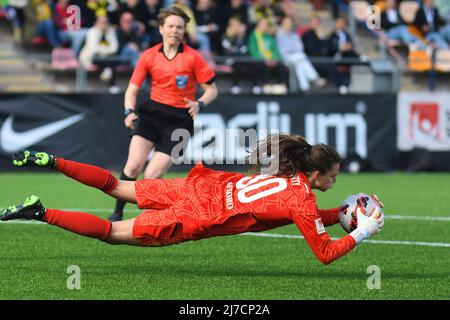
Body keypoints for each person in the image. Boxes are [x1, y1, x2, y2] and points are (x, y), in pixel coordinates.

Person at [2, 136, 384, 265]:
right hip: (200, 214)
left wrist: (344, 213)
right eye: (333, 175)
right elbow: (324, 253)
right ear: (316, 175)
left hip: (198, 189)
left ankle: (52, 161)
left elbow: (304, 212)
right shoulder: (302, 200)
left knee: (118, 186)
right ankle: (41, 212)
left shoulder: (290, 176)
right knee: (110, 232)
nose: (336, 180)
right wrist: (361, 230)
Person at [108, 6, 218, 222]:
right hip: (151, 114)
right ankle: (118, 212)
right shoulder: (148, 56)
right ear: (161, 28)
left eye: (179, 27)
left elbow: (212, 90)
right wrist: (129, 111)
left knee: (152, 175)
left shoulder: (193, 57)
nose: (174, 31)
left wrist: (199, 104)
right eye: (170, 26)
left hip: (180, 121)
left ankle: (164, 214)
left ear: (184, 30)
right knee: (133, 166)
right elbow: (132, 88)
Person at [276, 16, 325, 92]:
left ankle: (305, 87)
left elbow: (300, 48)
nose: (288, 25)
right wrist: (292, 48)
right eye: (286, 23)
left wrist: (291, 48)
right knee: (301, 57)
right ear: (282, 24)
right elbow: (283, 51)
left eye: (290, 24)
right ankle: (314, 78)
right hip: (284, 58)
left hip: (296, 57)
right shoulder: (279, 34)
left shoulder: (294, 34)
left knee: (300, 63)